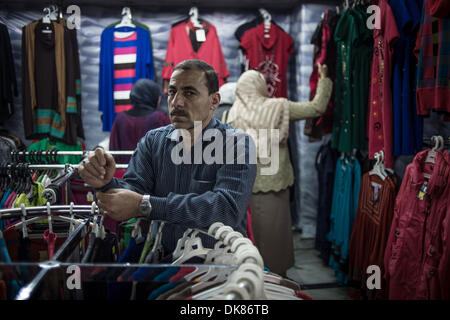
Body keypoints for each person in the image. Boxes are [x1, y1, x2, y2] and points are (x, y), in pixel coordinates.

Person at [78, 59, 257, 253]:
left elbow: (226, 209)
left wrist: (146, 205)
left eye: (189, 93)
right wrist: (105, 181)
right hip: (162, 261)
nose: (176, 102)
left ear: (214, 101)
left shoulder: (237, 144)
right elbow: (132, 191)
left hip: (218, 265)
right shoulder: (153, 141)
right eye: (172, 92)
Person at [226, 63, 332, 276]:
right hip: (273, 185)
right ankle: (276, 282)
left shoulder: (232, 113)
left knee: (250, 239)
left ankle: (252, 280)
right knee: (275, 237)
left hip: (243, 189)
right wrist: (324, 79)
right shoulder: (278, 107)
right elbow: (317, 108)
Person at [109, 78, 170, 164]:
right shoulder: (160, 118)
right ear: (153, 96)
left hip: (125, 173)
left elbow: (114, 150)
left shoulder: (120, 118)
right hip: (152, 174)